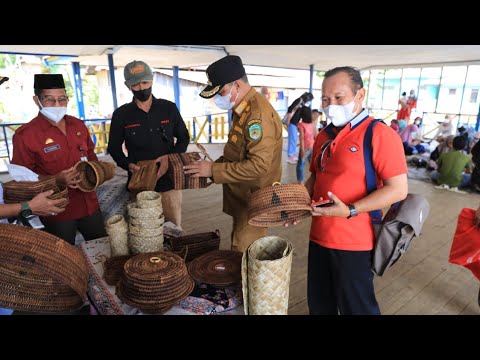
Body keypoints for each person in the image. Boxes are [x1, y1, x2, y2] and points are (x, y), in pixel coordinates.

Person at [304, 66, 408, 315]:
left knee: (357, 307)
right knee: (319, 304)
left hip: (355, 242)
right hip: (318, 236)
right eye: (326, 100)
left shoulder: (379, 134)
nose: (331, 105)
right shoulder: (324, 135)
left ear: (360, 95)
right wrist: (298, 202)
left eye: (339, 98)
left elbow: (398, 189)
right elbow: (316, 176)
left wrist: (351, 209)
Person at [184, 55, 283, 252]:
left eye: (221, 91)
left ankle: (243, 284)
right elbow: (237, 153)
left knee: (242, 253)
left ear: (237, 84)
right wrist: (212, 169)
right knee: (239, 244)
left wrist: (213, 170)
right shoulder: (242, 111)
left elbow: (259, 165)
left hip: (255, 201)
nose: (218, 98)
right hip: (242, 196)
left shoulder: (258, 115)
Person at [11, 74, 107, 245]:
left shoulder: (78, 125)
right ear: (37, 100)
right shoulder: (26, 135)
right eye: (49, 100)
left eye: (62, 99)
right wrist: (57, 179)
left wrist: (97, 172)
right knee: (64, 259)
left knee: (102, 249)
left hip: (89, 205)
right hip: (57, 211)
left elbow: (92, 157)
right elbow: (23, 180)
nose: (57, 105)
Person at [108, 60, 190, 228]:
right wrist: (127, 164)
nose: (142, 88)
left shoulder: (168, 108)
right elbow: (113, 148)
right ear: (128, 86)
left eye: (145, 82)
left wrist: (171, 157)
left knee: (173, 228)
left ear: (152, 80)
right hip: (140, 184)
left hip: (169, 183)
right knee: (144, 231)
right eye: (136, 84)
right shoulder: (121, 114)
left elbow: (183, 137)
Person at [285, 92, 314, 164]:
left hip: (295, 123)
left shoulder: (302, 103)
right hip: (292, 122)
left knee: (294, 139)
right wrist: (288, 119)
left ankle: (293, 154)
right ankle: (290, 156)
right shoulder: (299, 100)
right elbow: (291, 109)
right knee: (292, 139)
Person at [296, 106, 314, 184]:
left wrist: (302, 150)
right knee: (312, 164)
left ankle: (301, 181)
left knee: (300, 164)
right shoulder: (311, 124)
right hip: (312, 146)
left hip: (306, 147)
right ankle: (314, 178)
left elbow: (302, 138)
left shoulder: (301, 125)